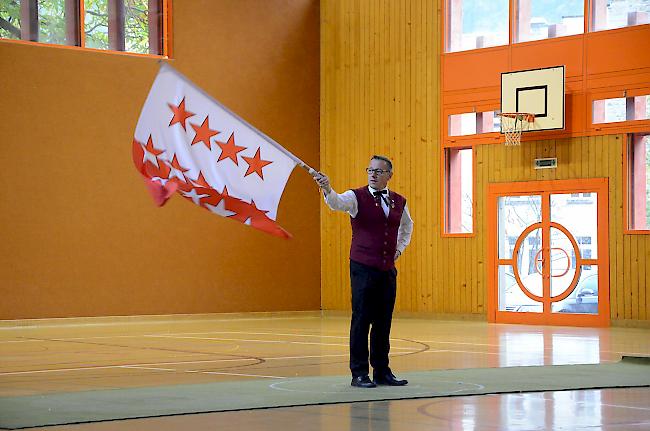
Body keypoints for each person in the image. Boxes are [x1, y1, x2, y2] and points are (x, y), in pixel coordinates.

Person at [313, 155, 413, 388]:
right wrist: (327, 188)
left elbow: (407, 226)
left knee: (383, 322)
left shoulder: (399, 201)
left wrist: (398, 250)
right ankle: (359, 373)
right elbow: (336, 202)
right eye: (370, 170)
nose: (373, 174)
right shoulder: (356, 197)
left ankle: (382, 371)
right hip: (363, 268)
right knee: (361, 320)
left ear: (389, 175)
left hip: (387, 270)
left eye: (379, 171)